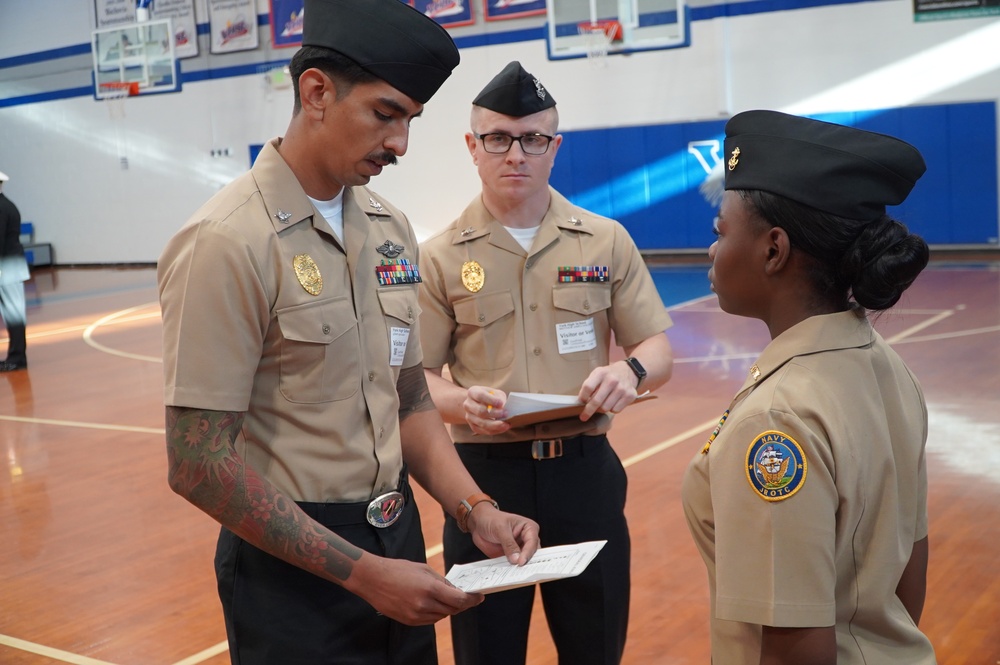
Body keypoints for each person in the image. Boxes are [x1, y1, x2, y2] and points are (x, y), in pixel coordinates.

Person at [156, 3, 540, 663]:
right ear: (316, 93)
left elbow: (410, 398)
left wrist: (473, 506)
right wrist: (362, 573)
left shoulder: (389, 231)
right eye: (386, 114)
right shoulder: (228, 241)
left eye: (410, 121)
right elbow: (198, 464)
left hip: (398, 543)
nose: (400, 144)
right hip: (292, 572)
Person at [418, 61, 675, 665]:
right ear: (472, 148)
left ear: (554, 147)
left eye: (533, 139)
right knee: (487, 652)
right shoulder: (439, 258)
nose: (516, 154)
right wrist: (462, 403)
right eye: (498, 138)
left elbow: (656, 349)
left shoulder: (605, 240)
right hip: (483, 483)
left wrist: (628, 373)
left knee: (595, 647)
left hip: (584, 475)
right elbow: (416, 380)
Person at [682, 109, 937, 664]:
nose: (711, 249)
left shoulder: (776, 417)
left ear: (773, 250)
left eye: (720, 231)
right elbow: (907, 580)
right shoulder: (889, 367)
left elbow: (792, 646)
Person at [0, 170, 29, 373]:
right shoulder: (6, 205)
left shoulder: (2, 208)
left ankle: (17, 358)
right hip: (8, 265)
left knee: (14, 315)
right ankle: (16, 357)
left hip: (7, 267)